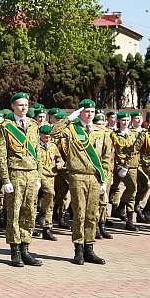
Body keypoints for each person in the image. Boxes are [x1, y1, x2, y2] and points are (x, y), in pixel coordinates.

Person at [52, 99, 112, 266]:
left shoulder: (101, 132)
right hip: (77, 176)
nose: (90, 114)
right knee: (79, 213)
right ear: (80, 112)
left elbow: (106, 158)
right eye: (86, 111)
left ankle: (89, 248)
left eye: (92, 111)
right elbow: (53, 133)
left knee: (92, 214)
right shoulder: (71, 129)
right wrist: (69, 118)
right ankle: (78, 248)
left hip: (95, 177)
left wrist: (104, 180)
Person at [0, 92, 42, 267]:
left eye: (26, 105)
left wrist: (38, 176)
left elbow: (38, 152)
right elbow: (1, 155)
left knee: (29, 212)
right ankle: (15, 251)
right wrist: (5, 179)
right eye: (20, 105)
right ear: (13, 106)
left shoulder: (33, 125)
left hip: (31, 174)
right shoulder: (6, 127)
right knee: (14, 213)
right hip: (15, 174)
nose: (24, 108)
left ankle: (25, 248)